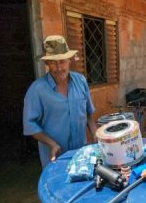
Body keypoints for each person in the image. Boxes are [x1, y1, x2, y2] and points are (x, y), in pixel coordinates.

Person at [23, 35, 97, 168]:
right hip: (56, 158)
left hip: (81, 155)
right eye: (52, 62)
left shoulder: (81, 81)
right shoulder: (37, 90)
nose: (58, 68)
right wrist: (51, 143)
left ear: (69, 60)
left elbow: (88, 112)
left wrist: (95, 133)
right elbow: (30, 126)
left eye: (62, 61)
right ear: (47, 64)